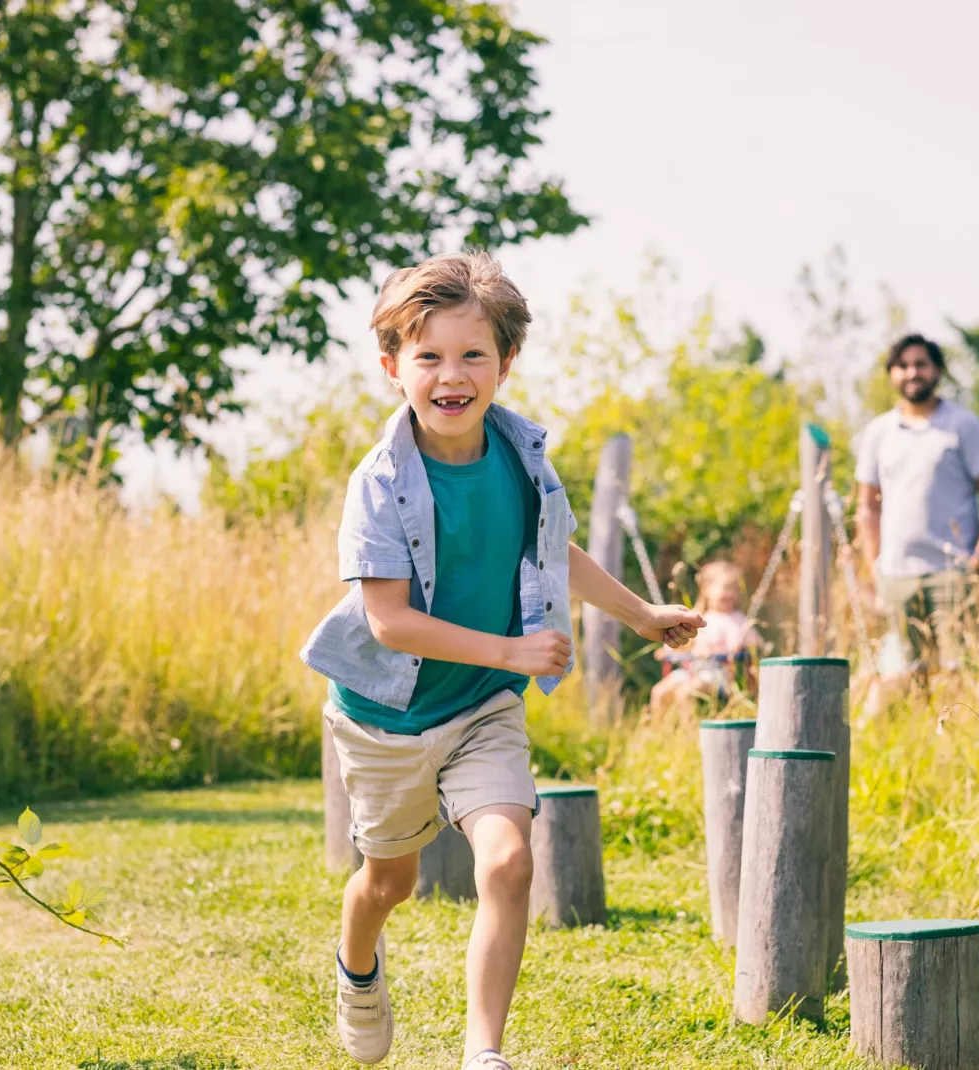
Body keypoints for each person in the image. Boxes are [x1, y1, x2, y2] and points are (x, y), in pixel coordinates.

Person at [301, 251, 705, 1070]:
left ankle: (482, 1054)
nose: (452, 376)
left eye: (472, 355)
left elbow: (555, 550)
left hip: (483, 703)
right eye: (429, 357)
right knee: (390, 883)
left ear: (505, 363)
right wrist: (512, 648)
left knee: (511, 860)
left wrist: (642, 615)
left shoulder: (522, 459)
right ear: (393, 367)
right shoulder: (379, 482)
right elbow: (388, 622)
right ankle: (356, 969)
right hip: (388, 717)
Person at [853, 333, 979, 692]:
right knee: (908, 673)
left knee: (959, 670)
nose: (912, 373)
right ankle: (920, 735)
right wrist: (873, 563)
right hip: (897, 572)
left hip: (952, 569)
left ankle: (958, 740)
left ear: (936, 370)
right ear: (892, 374)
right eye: (903, 366)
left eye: (921, 364)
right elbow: (867, 504)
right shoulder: (878, 432)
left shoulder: (963, 426)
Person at [649, 561, 763, 715]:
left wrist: (736, 647)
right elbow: (682, 643)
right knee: (659, 691)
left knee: (686, 692)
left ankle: (689, 731)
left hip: (719, 676)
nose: (730, 594)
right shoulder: (698, 616)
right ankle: (658, 731)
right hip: (691, 670)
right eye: (725, 587)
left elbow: (757, 643)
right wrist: (668, 651)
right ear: (707, 590)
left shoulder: (737, 620)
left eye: (734, 589)